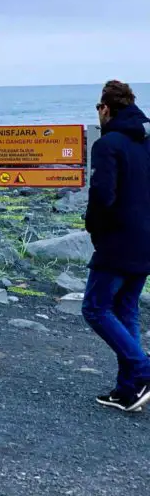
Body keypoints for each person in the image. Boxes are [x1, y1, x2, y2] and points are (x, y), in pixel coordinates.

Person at [83, 80, 150, 412]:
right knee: (125, 309)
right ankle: (129, 390)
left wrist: (94, 230)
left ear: (106, 108)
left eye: (99, 108)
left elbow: (102, 197)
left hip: (117, 241)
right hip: (145, 240)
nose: (98, 114)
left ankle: (143, 370)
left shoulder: (108, 144)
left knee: (95, 308)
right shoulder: (146, 141)